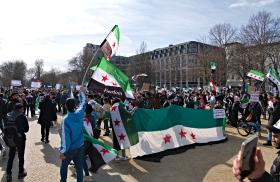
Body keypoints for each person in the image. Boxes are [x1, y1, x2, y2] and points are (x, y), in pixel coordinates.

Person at [59, 86, 86, 182]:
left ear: (65, 106)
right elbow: (83, 103)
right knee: (79, 167)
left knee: (64, 166)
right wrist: (82, 92)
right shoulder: (80, 113)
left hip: (69, 149)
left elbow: (66, 138)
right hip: (80, 146)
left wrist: (62, 151)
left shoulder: (65, 120)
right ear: (75, 105)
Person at [5, 103, 29, 182]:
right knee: (21, 156)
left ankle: (8, 174)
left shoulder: (8, 115)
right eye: (22, 108)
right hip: (20, 139)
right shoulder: (22, 116)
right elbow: (26, 129)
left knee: (11, 156)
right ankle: (20, 173)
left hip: (10, 138)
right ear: (20, 109)